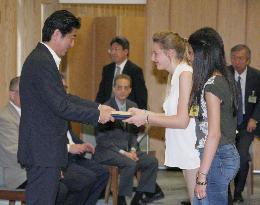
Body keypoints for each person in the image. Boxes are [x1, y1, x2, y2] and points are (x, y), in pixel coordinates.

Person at [18, 10, 114, 205]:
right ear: (56, 34)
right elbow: (61, 106)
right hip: (42, 151)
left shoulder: (43, 59)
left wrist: (99, 107)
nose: (72, 44)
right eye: (71, 37)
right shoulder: (41, 61)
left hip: (46, 151)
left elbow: (65, 98)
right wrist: (97, 115)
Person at [124, 32, 200, 204]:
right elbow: (172, 116)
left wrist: (146, 118)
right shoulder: (176, 75)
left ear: (170, 53)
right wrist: (144, 114)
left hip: (193, 152)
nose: (152, 58)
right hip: (187, 150)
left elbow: (182, 120)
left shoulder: (185, 75)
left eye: (156, 53)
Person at [187, 27, 240, 205]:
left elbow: (214, 134)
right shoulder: (221, 79)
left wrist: (201, 176)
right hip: (219, 155)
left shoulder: (212, 86)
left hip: (218, 156)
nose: (189, 57)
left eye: (191, 53)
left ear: (203, 56)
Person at [94, 74, 164, 205]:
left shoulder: (132, 106)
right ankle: (121, 198)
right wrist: (124, 153)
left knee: (152, 161)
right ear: (114, 89)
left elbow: (133, 133)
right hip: (108, 151)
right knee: (130, 163)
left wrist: (132, 149)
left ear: (130, 90)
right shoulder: (106, 108)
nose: (122, 91)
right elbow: (102, 139)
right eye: (119, 87)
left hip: (128, 150)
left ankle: (139, 197)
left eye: (126, 88)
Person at [228, 44, 260, 202]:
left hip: (247, 124)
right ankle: (225, 192)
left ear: (247, 60)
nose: (236, 61)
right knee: (224, 156)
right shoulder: (224, 74)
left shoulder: (256, 75)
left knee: (241, 157)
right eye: (233, 57)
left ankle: (237, 193)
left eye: (240, 58)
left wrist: (255, 118)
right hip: (227, 125)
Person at [95, 36, 148, 109]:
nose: (113, 52)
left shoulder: (135, 71)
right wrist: (97, 110)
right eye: (111, 49)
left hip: (127, 112)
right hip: (108, 111)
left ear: (126, 51)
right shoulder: (107, 69)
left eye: (116, 49)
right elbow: (101, 94)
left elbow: (141, 97)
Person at [0, 77, 26, 189]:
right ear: (12, 94)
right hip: (19, 174)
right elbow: (14, 151)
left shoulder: (32, 115)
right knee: (59, 189)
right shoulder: (5, 118)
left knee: (78, 181)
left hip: (36, 169)